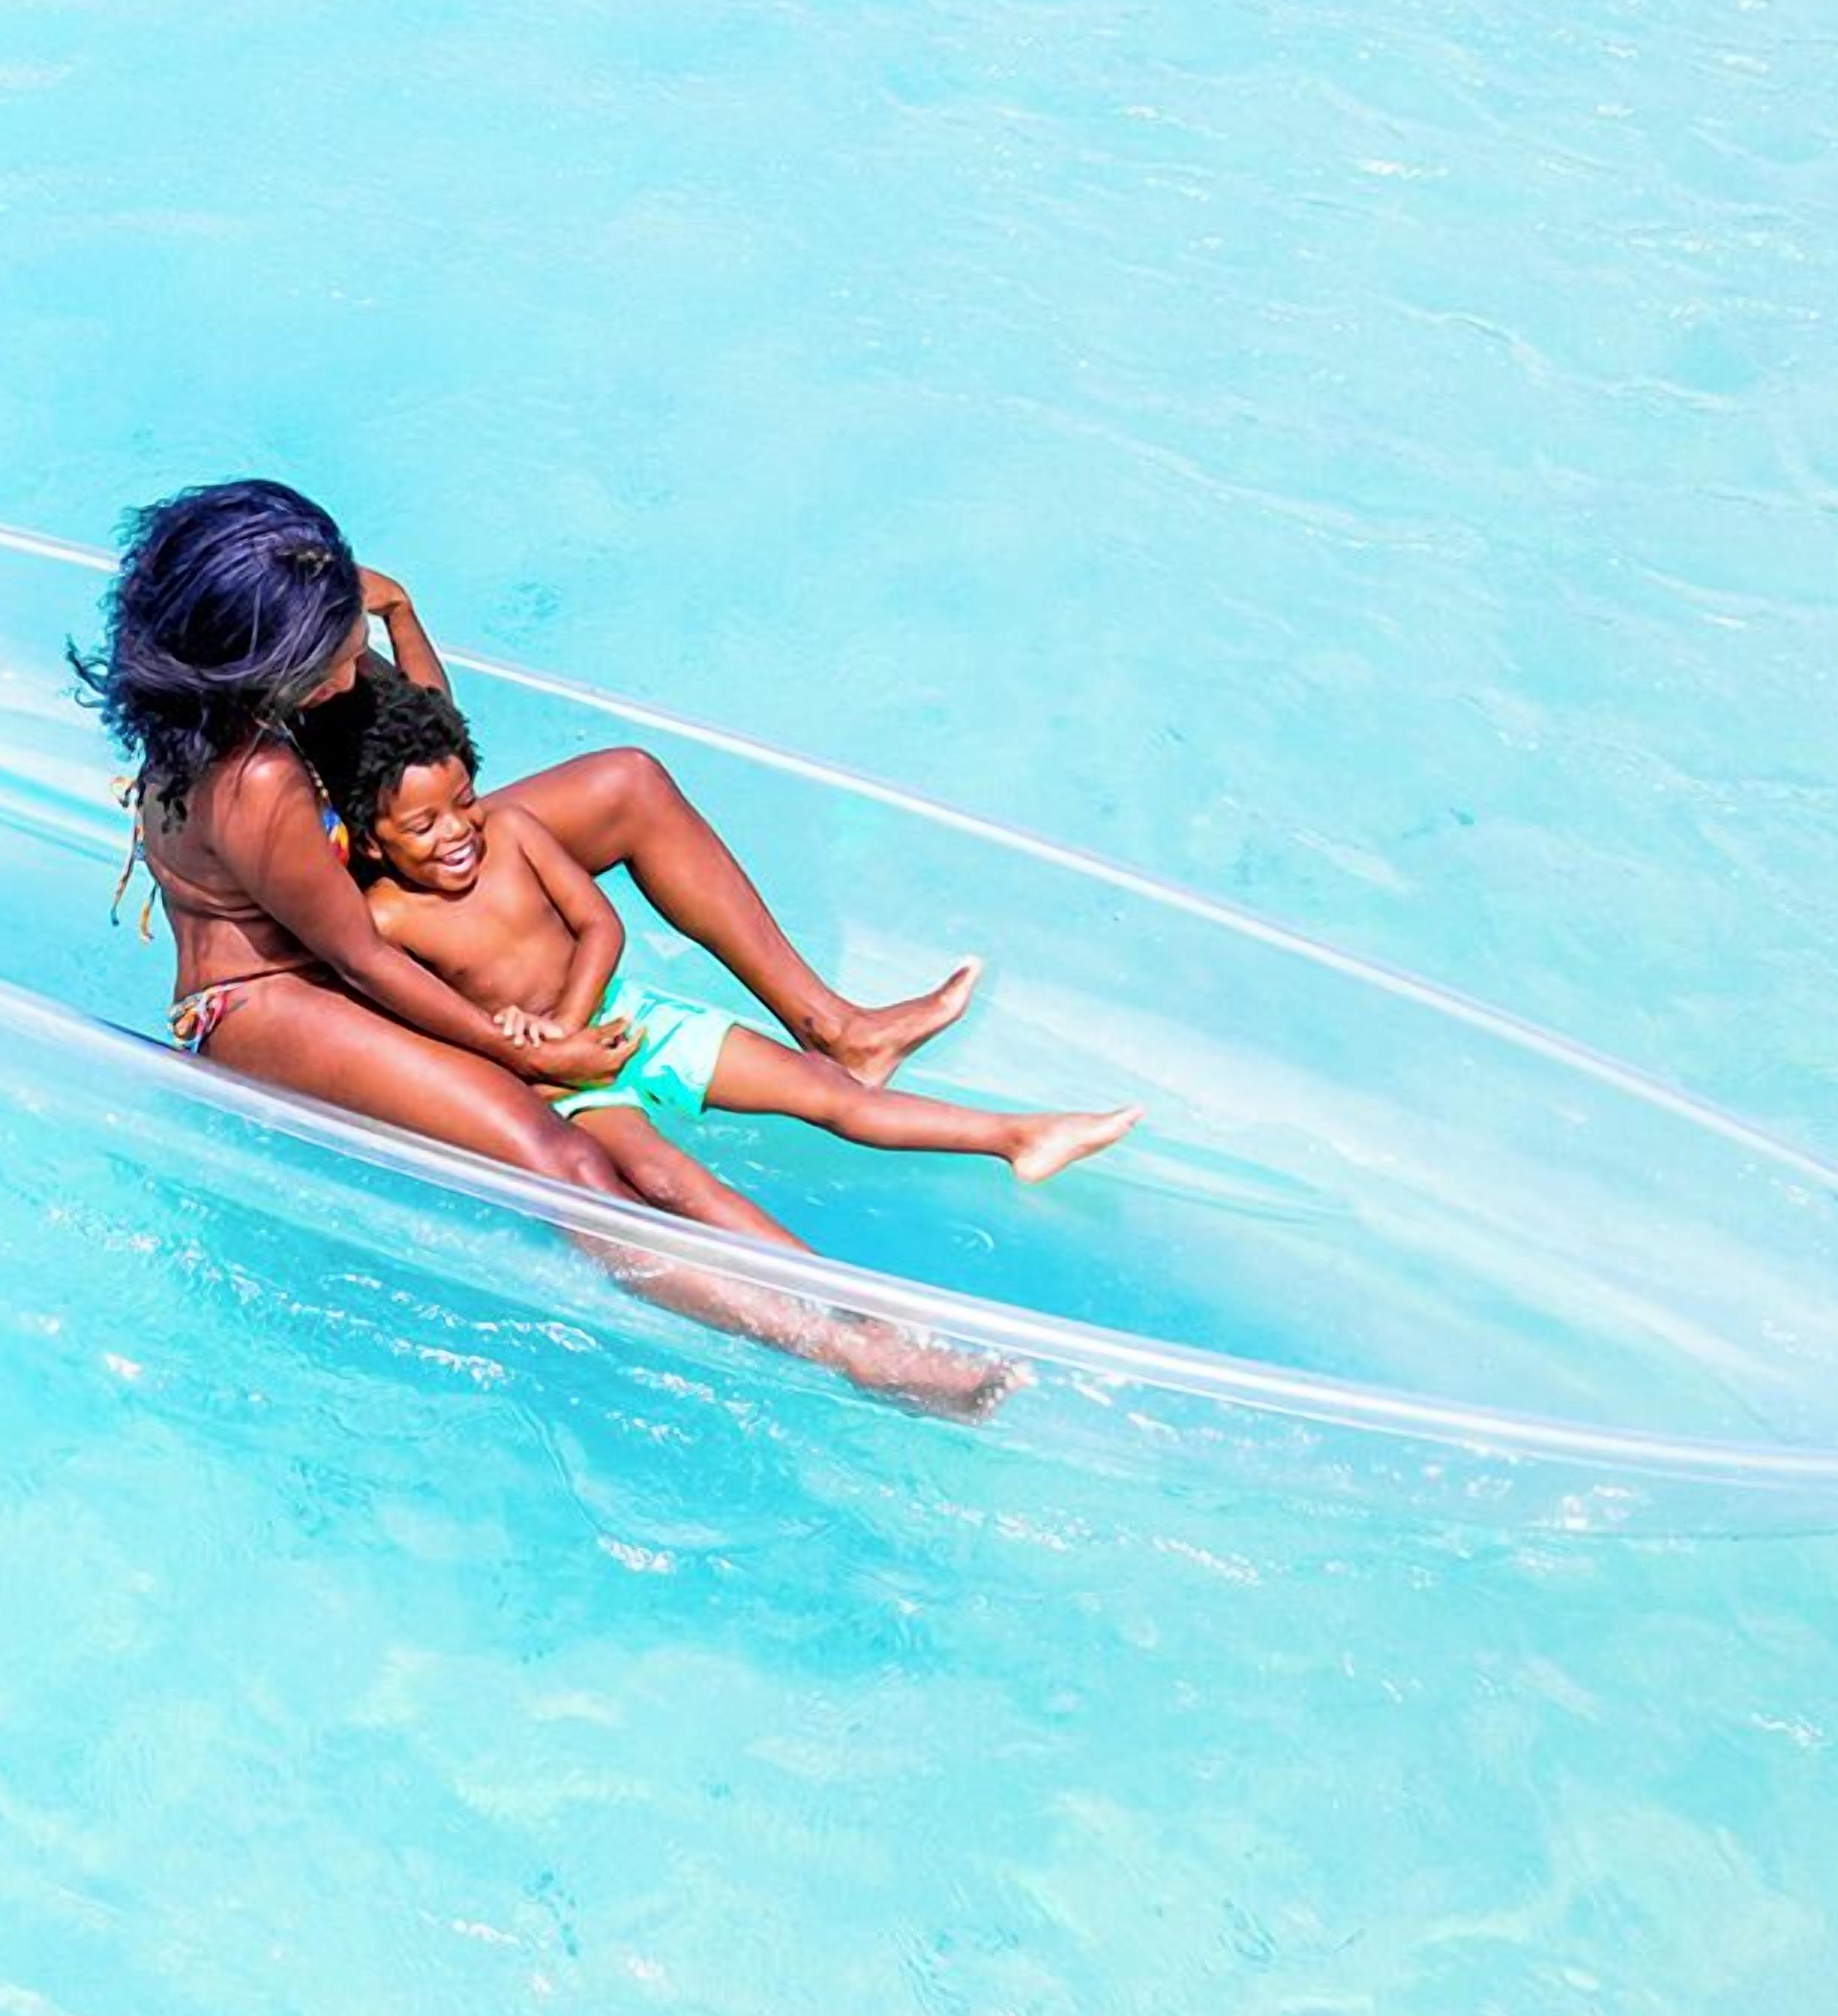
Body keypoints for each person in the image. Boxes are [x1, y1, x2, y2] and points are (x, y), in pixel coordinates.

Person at [72, 477, 1008, 1413]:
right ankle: (852, 1353)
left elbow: (414, 746)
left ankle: (837, 1031)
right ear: (257, 662)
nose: (351, 672)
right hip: (276, 992)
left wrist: (396, 611)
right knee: (562, 1163)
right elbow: (362, 958)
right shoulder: (257, 777)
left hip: (353, 903)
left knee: (627, 786)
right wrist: (527, 1047)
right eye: (333, 656)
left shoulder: (282, 687)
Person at [342, 674, 1142, 1240]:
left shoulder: (511, 834)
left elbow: (601, 926)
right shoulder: (384, 919)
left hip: (623, 1021)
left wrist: (567, 1023)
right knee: (668, 1183)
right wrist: (528, 1044)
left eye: (465, 805)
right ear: (371, 841)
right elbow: (418, 1023)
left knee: (828, 1092)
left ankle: (1018, 1137)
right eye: (423, 827)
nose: (456, 833)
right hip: (560, 1090)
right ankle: (830, 1297)